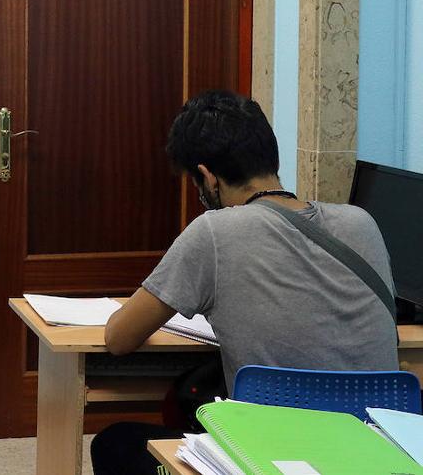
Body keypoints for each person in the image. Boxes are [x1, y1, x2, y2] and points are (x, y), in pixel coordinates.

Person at [90, 90, 399, 475]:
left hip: (271, 455)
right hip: (375, 453)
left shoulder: (214, 233)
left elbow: (119, 338)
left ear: (207, 176)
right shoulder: (361, 223)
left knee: (116, 442)